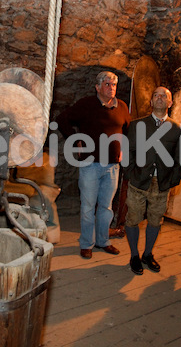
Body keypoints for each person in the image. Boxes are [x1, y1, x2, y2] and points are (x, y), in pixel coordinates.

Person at [56, 71, 131, 259]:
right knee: (88, 206)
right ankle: (87, 243)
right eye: (107, 84)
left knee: (106, 207)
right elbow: (62, 119)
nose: (111, 88)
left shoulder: (121, 106)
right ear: (97, 87)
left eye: (114, 85)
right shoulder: (86, 104)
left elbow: (127, 130)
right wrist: (76, 140)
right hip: (90, 164)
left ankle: (103, 241)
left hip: (113, 166)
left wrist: (123, 148)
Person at [123, 87, 181, 275]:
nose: (160, 98)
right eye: (156, 95)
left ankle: (147, 254)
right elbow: (128, 152)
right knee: (133, 218)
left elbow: (179, 159)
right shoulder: (136, 125)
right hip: (138, 181)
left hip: (161, 184)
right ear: (150, 102)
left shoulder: (177, 130)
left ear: (170, 102)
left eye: (164, 96)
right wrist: (130, 174)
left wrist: (172, 181)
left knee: (155, 220)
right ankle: (134, 255)